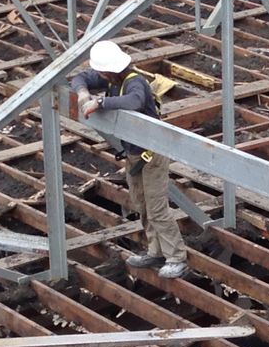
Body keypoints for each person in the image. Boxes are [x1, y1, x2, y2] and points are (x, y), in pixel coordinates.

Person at [70, 40, 188, 280]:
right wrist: (83, 93)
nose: (99, 75)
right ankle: (155, 250)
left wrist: (100, 102)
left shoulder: (134, 82)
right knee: (141, 204)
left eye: (102, 71)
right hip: (135, 155)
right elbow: (80, 78)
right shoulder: (112, 79)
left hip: (152, 155)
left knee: (156, 208)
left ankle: (176, 257)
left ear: (111, 70)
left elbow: (133, 102)